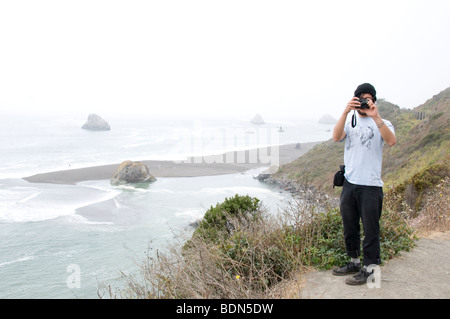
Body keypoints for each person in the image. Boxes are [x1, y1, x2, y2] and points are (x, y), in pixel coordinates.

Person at [331, 83, 396, 285]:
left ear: (374, 101)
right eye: (361, 98)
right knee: (349, 226)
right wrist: (345, 111)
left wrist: (376, 116)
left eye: (369, 99)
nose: (365, 102)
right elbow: (336, 137)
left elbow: (392, 141)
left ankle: (370, 270)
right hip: (350, 183)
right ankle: (354, 262)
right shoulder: (349, 121)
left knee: (371, 229)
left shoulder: (383, 122)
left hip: (371, 185)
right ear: (355, 100)